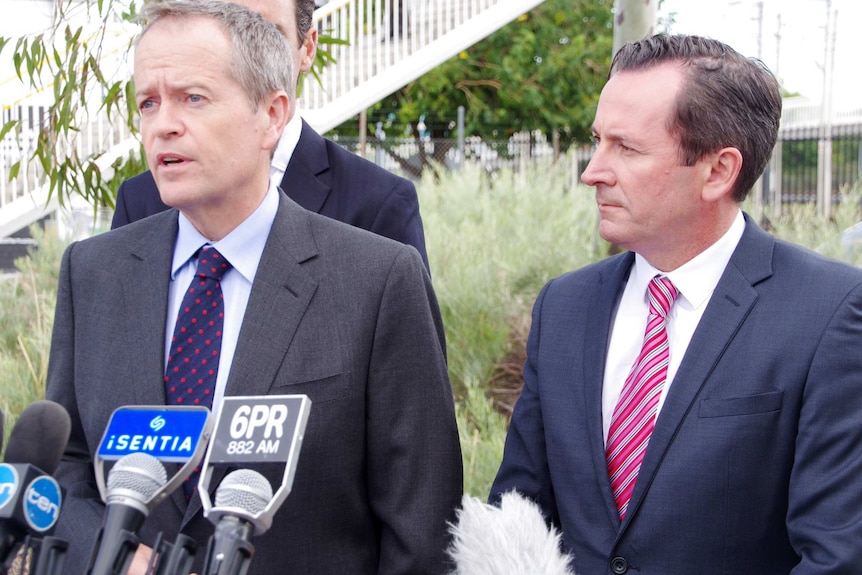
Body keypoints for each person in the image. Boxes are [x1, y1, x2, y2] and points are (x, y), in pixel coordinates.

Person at [46, 2, 462, 574]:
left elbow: (420, 524)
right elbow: (68, 465)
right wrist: (116, 555)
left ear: (272, 114)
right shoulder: (91, 273)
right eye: (148, 102)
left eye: (193, 97)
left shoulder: (377, 279)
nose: (163, 123)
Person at [489, 33, 862, 574]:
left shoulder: (828, 313)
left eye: (627, 147)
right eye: (598, 140)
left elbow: (836, 556)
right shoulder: (564, 307)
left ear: (717, 171)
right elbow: (518, 517)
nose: (593, 170)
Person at [111, 0, 430, 273]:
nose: (245, 55)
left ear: (308, 48)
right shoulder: (140, 200)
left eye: (266, 34)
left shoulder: (378, 204)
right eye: (225, 30)